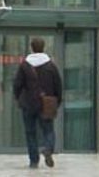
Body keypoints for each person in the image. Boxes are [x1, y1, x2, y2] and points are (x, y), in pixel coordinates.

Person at [13, 37, 63, 168]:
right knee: (48, 130)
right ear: (43, 47)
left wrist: (18, 98)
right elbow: (58, 85)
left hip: (28, 104)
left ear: (32, 48)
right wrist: (57, 101)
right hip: (46, 103)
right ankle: (48, 149)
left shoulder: (24, 65)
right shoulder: (51, 66)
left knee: (30, 132)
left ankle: (34, 160)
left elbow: (17, 84)